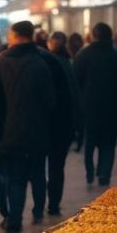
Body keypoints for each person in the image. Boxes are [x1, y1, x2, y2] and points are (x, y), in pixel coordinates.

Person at [0, 21, 55, 233]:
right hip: (39, 132)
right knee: (37, 173)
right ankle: (38, 211)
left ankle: (14, 218)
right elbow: (51, 102)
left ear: (15, 36)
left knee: (15, 178)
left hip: (9, 134)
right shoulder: (43, 62)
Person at [73, 23, 117, 187]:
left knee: (89, 143)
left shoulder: (83, 56)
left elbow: (76, 83)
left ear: (94, 36)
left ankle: (90, 172)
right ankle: (104, 174)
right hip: (112, 109)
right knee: (109, 144)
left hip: (89, 108)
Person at [40, 32, 79, 218]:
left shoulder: (46, 64)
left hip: (48, 124)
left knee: (41, 166)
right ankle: (53, 204)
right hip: (65, 125)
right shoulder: (69, 64)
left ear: (49, 44)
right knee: (57, 167)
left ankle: (40, 205)